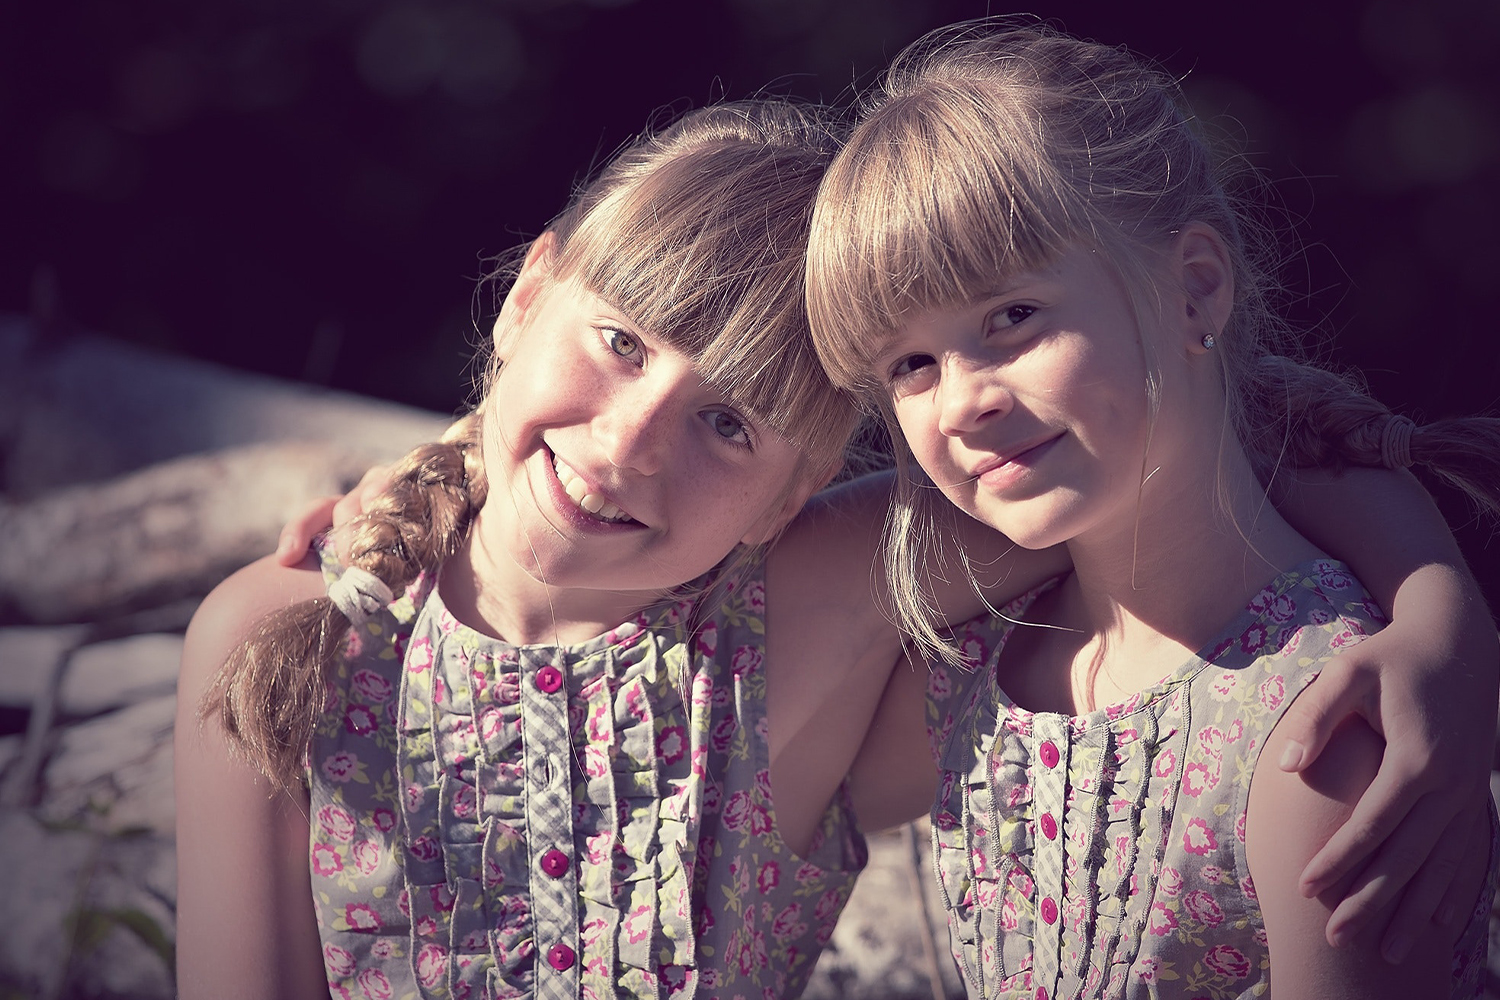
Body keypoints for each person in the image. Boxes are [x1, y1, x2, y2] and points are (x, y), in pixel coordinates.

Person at [211, 91, 1489, 1000]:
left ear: (796, 491)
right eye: (618, 342)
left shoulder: (810, 600)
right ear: (531, 289)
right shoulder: (289, 633)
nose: (632, 444)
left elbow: (1198, 438)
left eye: (730, 420)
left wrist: (1445, 620)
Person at [801, 19, 1500, 999]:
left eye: (1012, 317)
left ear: (1195, 288)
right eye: (910, 364)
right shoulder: (971, 679)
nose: (964, 399)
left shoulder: (1323, 730)